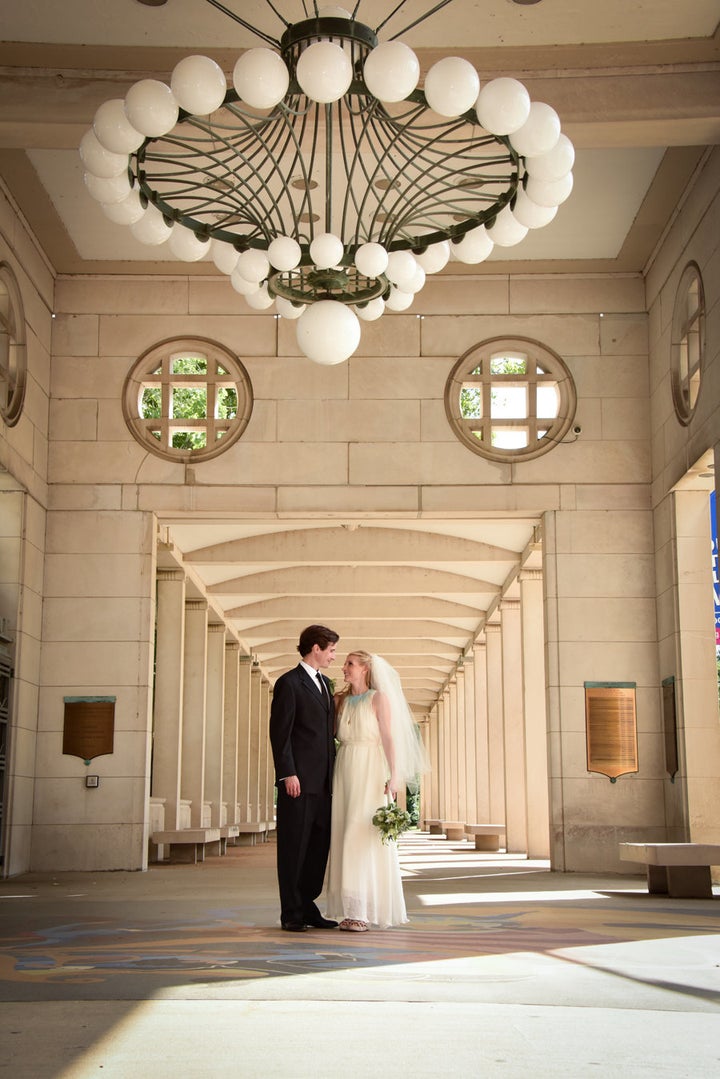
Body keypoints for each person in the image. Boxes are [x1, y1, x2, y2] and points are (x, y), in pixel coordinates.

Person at [325, 650, 430, 932]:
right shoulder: (341, 701)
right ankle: (348, 908)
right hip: (345, 768)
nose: (344, 668)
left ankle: (363, 910)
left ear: (365, 669)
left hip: (370, 770)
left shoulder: (378, 699)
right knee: (344, 832)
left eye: (350, 664)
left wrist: (394, 776)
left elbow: (388, 738)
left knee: (360, 835)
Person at [269, 624, 340, 932]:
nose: (333, 657)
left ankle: (308, 905)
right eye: (331, 650)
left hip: (324, 784)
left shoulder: (325, 684)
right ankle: (291, 913)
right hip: (297, 783)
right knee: (293, 848)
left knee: (317, 848)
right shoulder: (289, 683)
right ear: (316, 648)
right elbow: (279, 733)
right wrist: (287, 773)